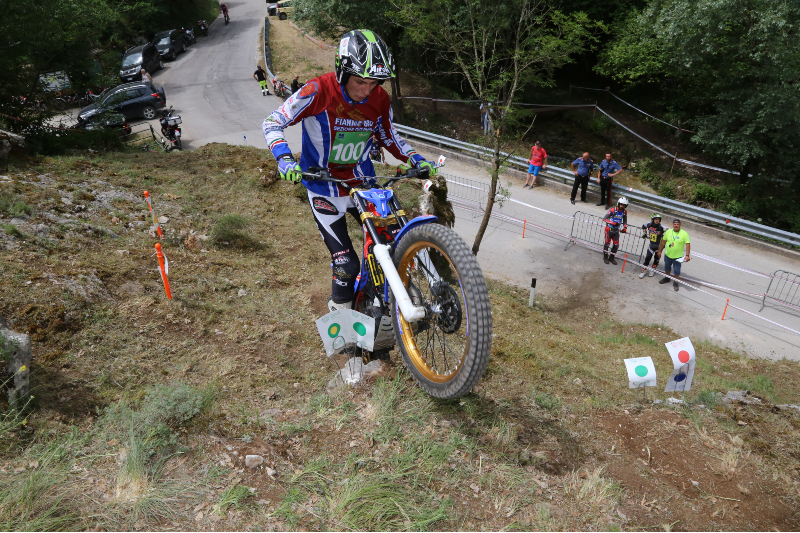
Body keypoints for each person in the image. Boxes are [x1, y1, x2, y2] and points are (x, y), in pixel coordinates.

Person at [262, 29, 438, 312]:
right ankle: (342, 319)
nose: (367, 90)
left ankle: (387, 303)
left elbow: (389, 136)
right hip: (324, 187)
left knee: (395, 242)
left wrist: (415, 158)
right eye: (360, 81)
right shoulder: (317, 90)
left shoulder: (379, 99)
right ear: (342, 72)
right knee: (346, 264)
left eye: (374, 82)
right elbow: (272, 122)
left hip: (364, 184)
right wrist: (284, 158)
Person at [658, 219, 691, 291]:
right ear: (673, 225)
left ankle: (676, 282)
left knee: (676, 270)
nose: (676, 225)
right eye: (675, 224)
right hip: (668, 255)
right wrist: (659, 251)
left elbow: (687, 244)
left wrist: (687, 255)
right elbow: (663, 242)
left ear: (680, 225)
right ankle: (667, 278)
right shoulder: (668, 232)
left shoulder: (684, 233)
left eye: (677, 224)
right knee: (667, 268)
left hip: (677, 257)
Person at [602, 197, 628, 265]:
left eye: (624, 205)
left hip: (616, 231)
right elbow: (604, 219)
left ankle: (611, 257)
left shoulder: (624, 212)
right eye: (621, 204)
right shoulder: (613, 210)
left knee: (616, 246)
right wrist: (613, 223)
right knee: (607, 244)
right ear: (618, 204)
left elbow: (625, 221)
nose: (622, 206)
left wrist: (625, 227)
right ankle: (605, 256)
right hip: (609, 229)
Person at [639, 213, 666, 278]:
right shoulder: (649, 224)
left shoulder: (662, 227)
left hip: (659, 246)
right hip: (651, 245)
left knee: (656, 259)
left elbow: (671, 231)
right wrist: (644, 233)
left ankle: (653, 270)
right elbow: (643, 226)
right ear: (652, 219)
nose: (657, 220)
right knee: (647, 258)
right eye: (655, 219)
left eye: (658, 219)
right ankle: (644, 271)